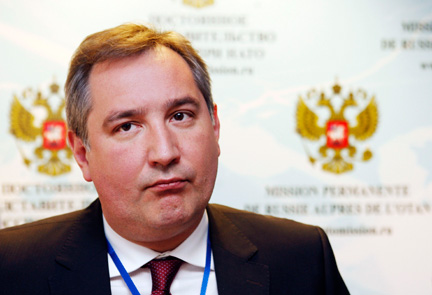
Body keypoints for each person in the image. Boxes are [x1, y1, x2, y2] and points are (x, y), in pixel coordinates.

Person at [0, 23, 350, 295]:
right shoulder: (12, 268)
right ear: (82, 154)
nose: (165, 153)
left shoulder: (302, 259)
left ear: (214, 126)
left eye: (180, 116)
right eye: (127, 126)